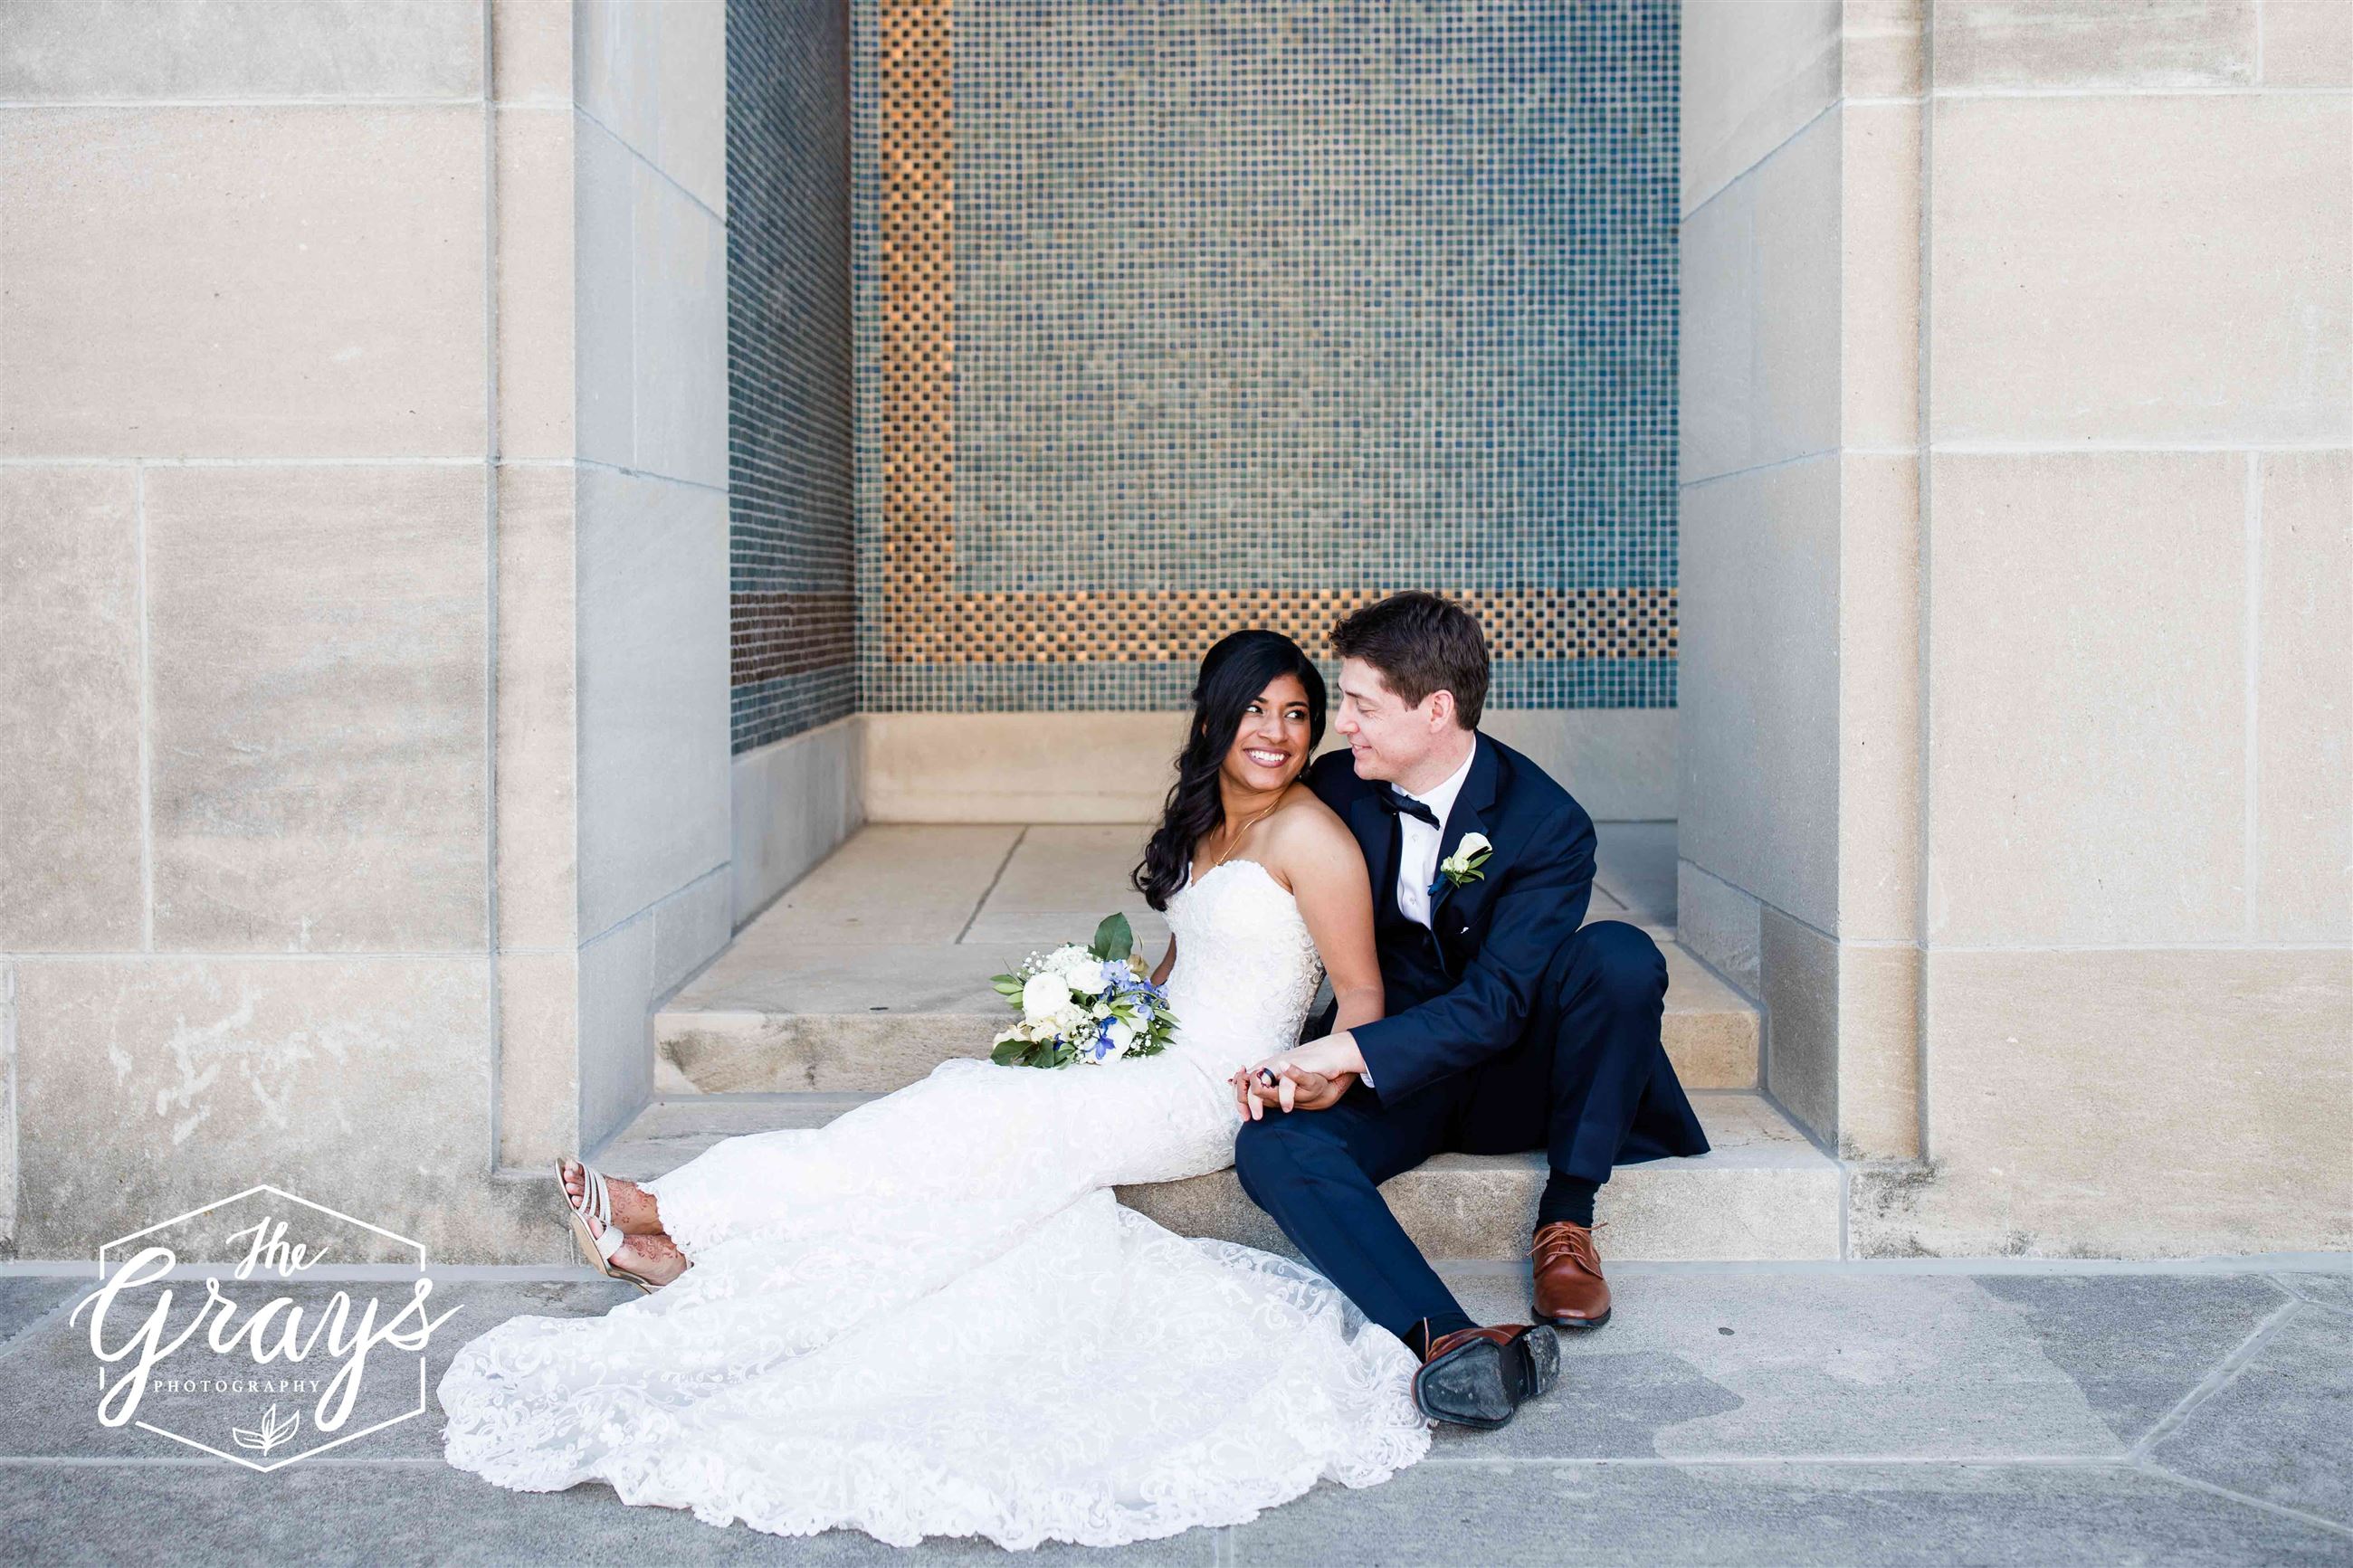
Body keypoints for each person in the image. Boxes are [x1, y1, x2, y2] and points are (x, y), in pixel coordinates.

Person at [436, 630, 1432, 1551]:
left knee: (975, 1110)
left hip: (1210, 1094)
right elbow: (1184, 961)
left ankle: (672, 1210)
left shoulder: (1313, 839)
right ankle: (692, 1242)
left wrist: (1303, 1088)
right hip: (1146, 1057)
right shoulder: (1212, 817)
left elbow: (1360, 1000)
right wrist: (1101, 1018)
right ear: (1214, 717)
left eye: (1298, 713)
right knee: (968, 1098)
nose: (1277, 732)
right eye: (1257, 709)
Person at [1226, 591, 1710, 1430]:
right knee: (1273, 1145)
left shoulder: (1547, 822)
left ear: (1436, 710)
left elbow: (1496, 1006)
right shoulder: (1338, 788)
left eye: (1364, 706)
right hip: (1403, 1070)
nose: (1344, 726)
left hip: (1520, 1065)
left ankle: (1567, 1217)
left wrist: (1341, 1054)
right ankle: (1450, 1342)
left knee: (1620, 958)